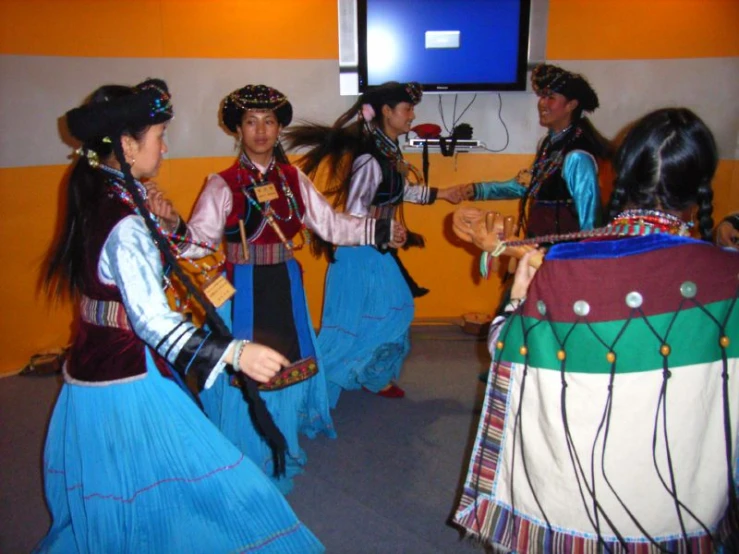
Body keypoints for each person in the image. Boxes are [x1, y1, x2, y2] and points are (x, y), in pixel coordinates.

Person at [36, 79, 324, 553]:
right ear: (128, 146)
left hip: (98, 363)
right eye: (159, 137)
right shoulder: (127, 218)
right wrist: (235, 352)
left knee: (132, 474)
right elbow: (151, 318)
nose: (166, 148)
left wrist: (166, 224)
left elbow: (176, 259)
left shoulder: (109, 195)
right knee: (198, 469)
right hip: (125, 372)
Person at [451, 108, 738, 552]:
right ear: (701, 184)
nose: (542, 103)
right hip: (684, 505)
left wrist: (514, 300)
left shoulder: (562, 267)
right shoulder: (730, 274)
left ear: (618, 175)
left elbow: (503, 348)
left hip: (574, 505)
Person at [149, 84, 406, 494]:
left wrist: (379, 229)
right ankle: (250, 445)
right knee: (245, 371)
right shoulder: (223, 184)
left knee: (289, 361)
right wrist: (172, 224)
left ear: (279, 127)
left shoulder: (293, 179)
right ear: (238, 130)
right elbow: (197, 243)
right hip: (243, 289)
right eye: (251, 122)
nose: (261, 130)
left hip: (286, 284)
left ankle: (281, 434)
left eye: (269, 121)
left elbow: (332, 226)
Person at [283, 81, 465, 406]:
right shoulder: (370, 159)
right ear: (387, 111)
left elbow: (400, 191)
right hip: (360, 253)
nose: (412, 116)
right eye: (407, 109)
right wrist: (383, 229)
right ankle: (307, 387)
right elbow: (353, 214)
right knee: (382, 315)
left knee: (379, 316)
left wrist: (442, 194)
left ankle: (373, 376)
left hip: (377, 249)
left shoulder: (388, 151)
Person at [462, 63, 612, 238]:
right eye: (542, 97)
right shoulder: (550, 143)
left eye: (551, 98)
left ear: (571, 105)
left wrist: (585, 259)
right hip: (541, 241)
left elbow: (590, 219)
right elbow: (528, 186)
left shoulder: (577, 155)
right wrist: (479, 190)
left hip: (561, 248)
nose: (542, 103)